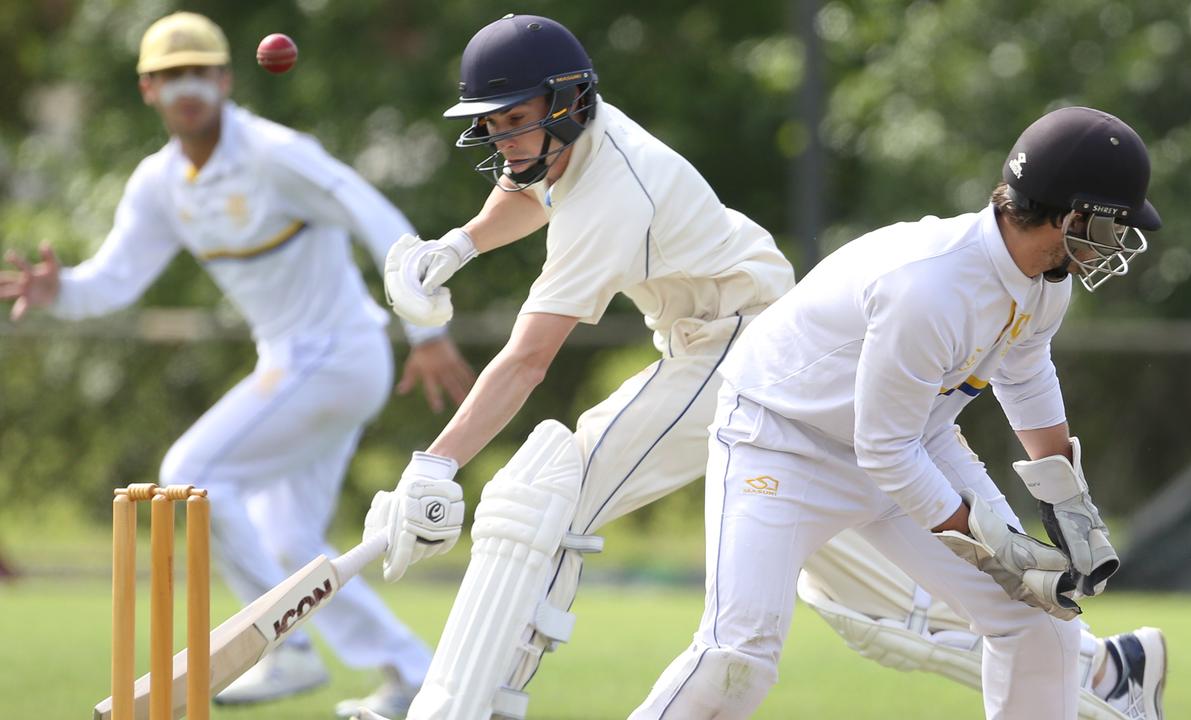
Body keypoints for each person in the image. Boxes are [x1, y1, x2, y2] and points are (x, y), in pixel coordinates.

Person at [0, 12, 474, 718]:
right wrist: (59, 290)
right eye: (170, 76)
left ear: (225, 79)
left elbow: (372, 211)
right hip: (297, 362)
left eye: (201, 71)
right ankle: (416, 680)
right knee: (288, 540)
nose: (187, 87)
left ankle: (285, 648)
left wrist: (426, 325)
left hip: (338, 353)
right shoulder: (160, 183)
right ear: (147, 90)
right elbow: (116, 280)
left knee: (190, 472)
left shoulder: (273, 152)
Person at [629, 106, 1167, 720]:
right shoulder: (931, 288)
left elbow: (1025, 369)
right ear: (1070, 216)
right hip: (780, 441)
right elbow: (883, 450)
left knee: (1041, 626)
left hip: (910, 440)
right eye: (1109, 224)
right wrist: (996, 545)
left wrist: (1066, 502)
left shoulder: (1047, 281)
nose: (1115, 243)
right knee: (737, 658)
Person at [359, 13, 794, 719]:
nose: (503, 141)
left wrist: (434, 464)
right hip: (729, 337)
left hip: (739, 350)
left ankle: (484, 704)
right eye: (492, 125)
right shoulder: (574, 140)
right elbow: (528, 187)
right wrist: (459, 247)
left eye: (516, 120)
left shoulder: (612, 193)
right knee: (875, 610)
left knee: (552, 496)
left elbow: (528, 360)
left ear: (565, 101)